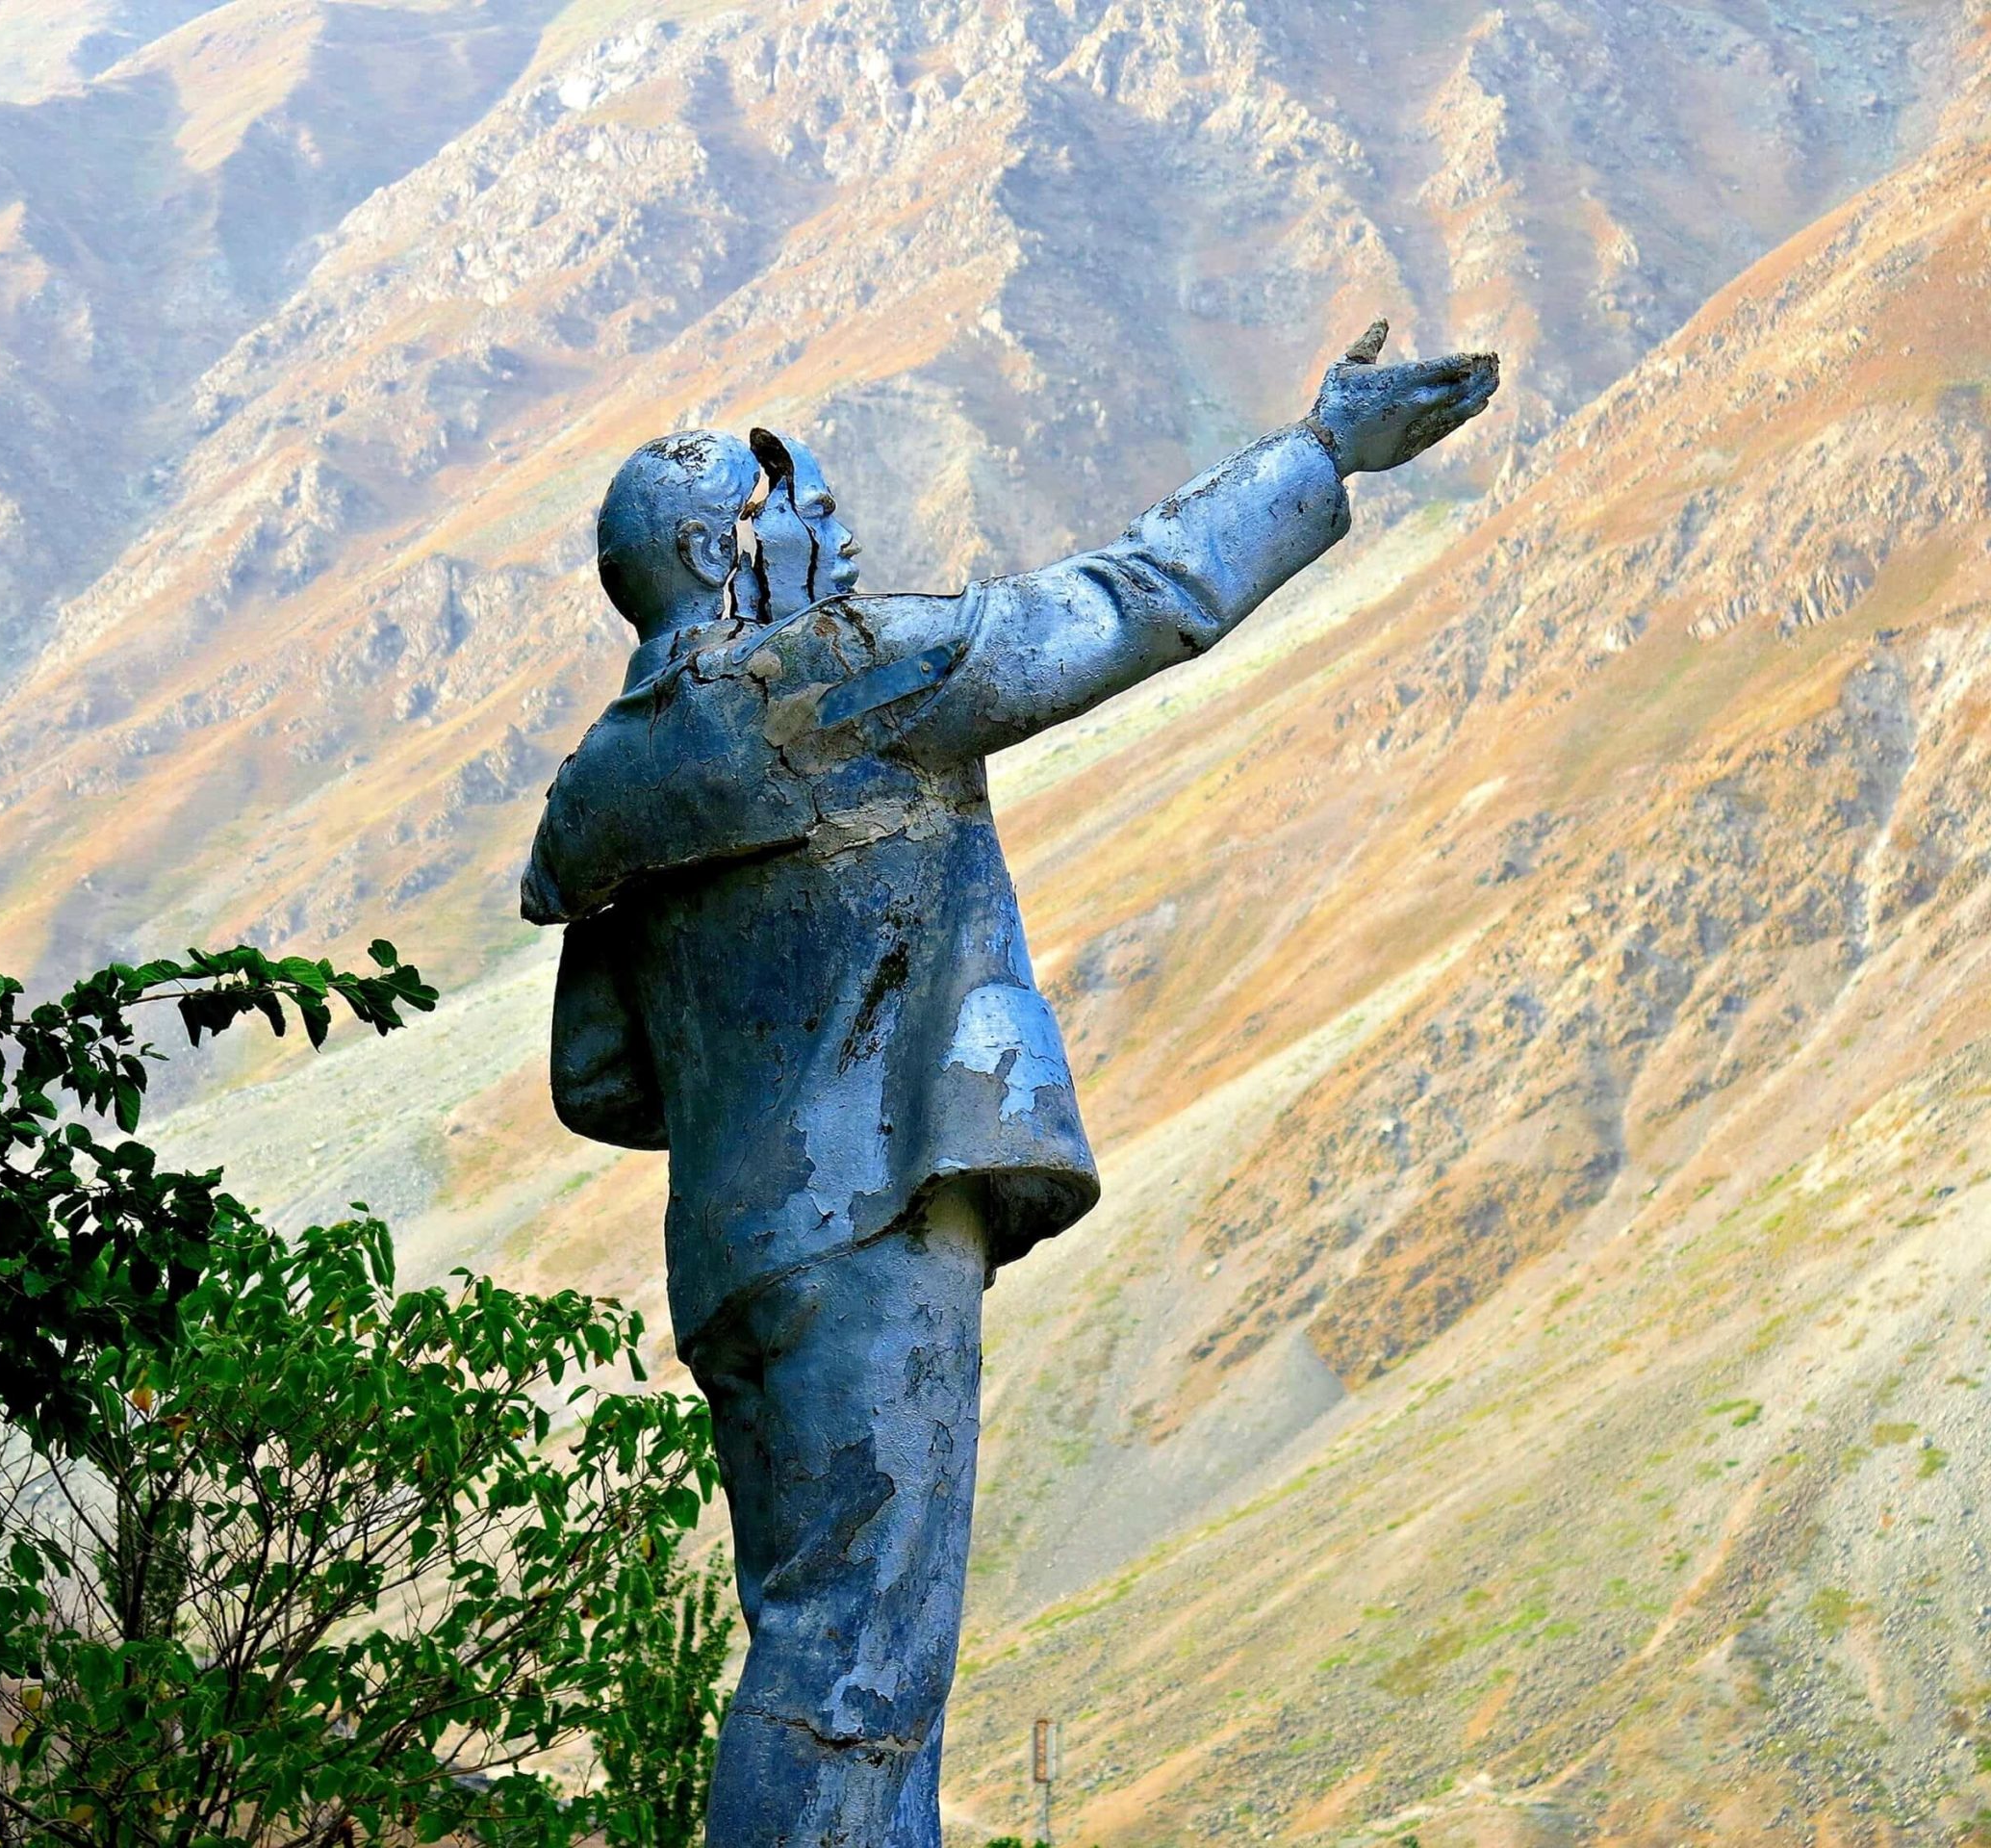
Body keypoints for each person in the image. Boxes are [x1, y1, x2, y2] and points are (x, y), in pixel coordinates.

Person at [522, 322, 1498, 1848]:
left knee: (811, 1630)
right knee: (866, 1667)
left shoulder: (608, 781)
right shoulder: (841, 676)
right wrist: (1324, 452)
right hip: (872, 1226)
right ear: (729, 554)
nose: (842, 536)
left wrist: (754, 1085)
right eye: (810, 516)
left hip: (729, 1260)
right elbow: (1129, 605)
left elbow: (598, 1077)